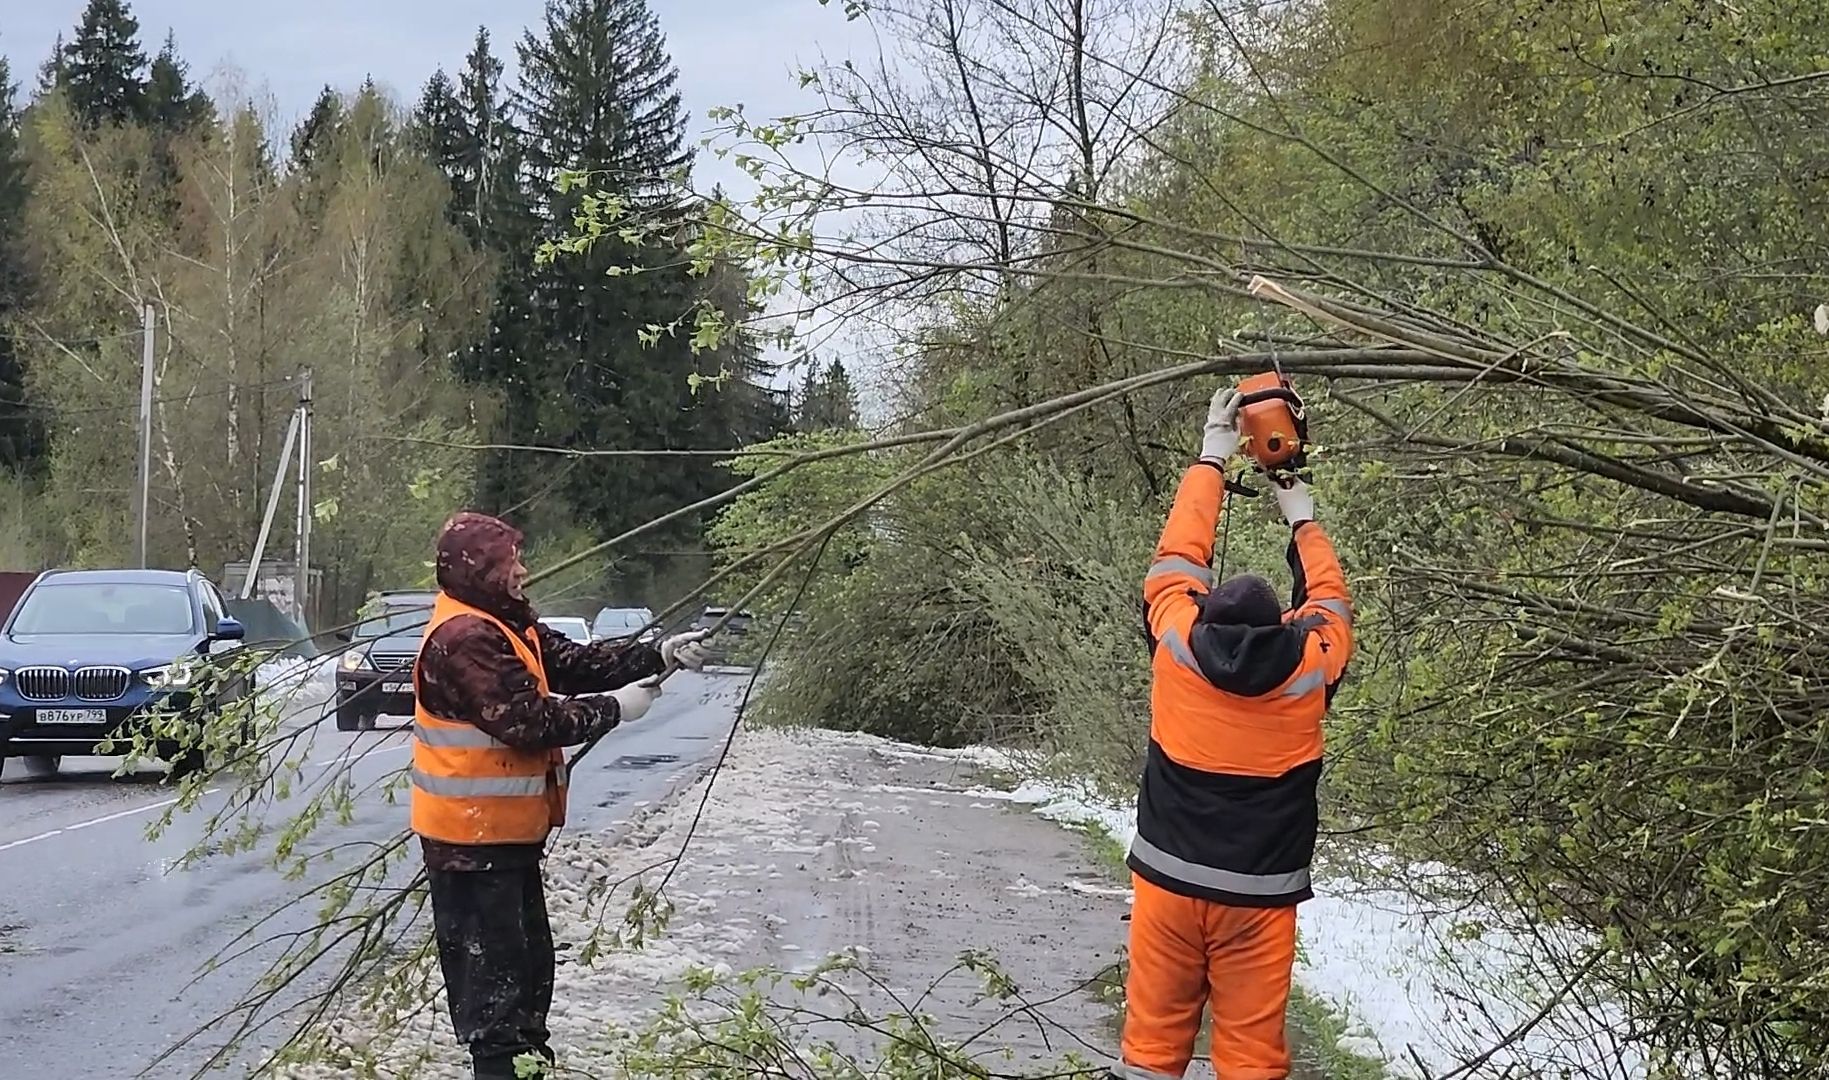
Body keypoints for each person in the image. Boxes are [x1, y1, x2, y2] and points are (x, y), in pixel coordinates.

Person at [410, 510, 712, 1080]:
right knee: (497, 1005)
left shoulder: (502, 623)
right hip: (470, 847)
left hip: (504, 841)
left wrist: (660, 654)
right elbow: (527, 721)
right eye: (511, 561)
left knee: (524, 985)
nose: (523, 570)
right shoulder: (464, 638)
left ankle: (525, 1069)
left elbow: (574, 663)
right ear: (481, 569)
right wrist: (616, 709)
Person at [1115, 386, 1354, 1080]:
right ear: (1281, 623)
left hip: (1167, 886)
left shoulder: (1177, 644)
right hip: (1258, 897)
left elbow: (1174, 562)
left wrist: (1210, 458)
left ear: (1205, 614)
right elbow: (1329, 600)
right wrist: (1299, 515)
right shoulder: (1311, 665)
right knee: (1250, 1056)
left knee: (1151, 1047)